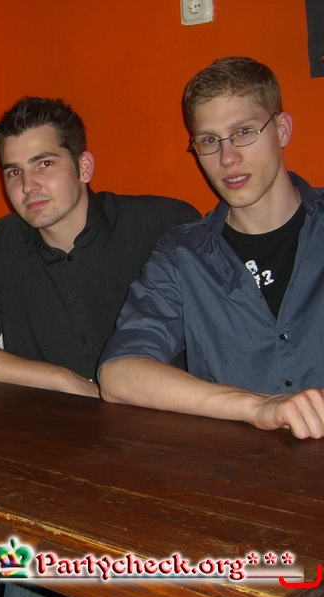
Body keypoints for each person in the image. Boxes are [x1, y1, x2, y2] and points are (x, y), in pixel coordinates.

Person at [98, 57, 324, 440]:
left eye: (244, 132)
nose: (227, 158)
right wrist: (257, 407)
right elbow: (119, 374)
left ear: (282, 129)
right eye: (208, 141)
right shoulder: (182, 253)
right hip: (234, 468)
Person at [0, 96, 200, 397]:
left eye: (44, 164)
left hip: (164, 415)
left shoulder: (163, 226)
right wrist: (60, 379)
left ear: (84, 167)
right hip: (51, 421)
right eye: (14, 172)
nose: (28, 186)